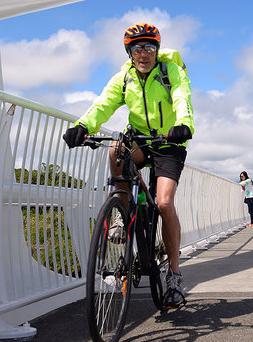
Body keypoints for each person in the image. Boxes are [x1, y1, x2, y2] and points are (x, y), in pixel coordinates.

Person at [62, 23, 194, 308]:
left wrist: (183, 124)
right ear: (130, 53)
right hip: (142, 139)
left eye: (149, 48)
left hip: (170, 142)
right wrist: (83, 125)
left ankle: (174, 275)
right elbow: (104, 103)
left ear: (157, 51)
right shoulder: (125, 77)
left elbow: (182, 98)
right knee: (116, 149)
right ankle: (121, 212)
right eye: (137, 49)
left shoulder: (171, 71)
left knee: (163, 203)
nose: (143, 53)